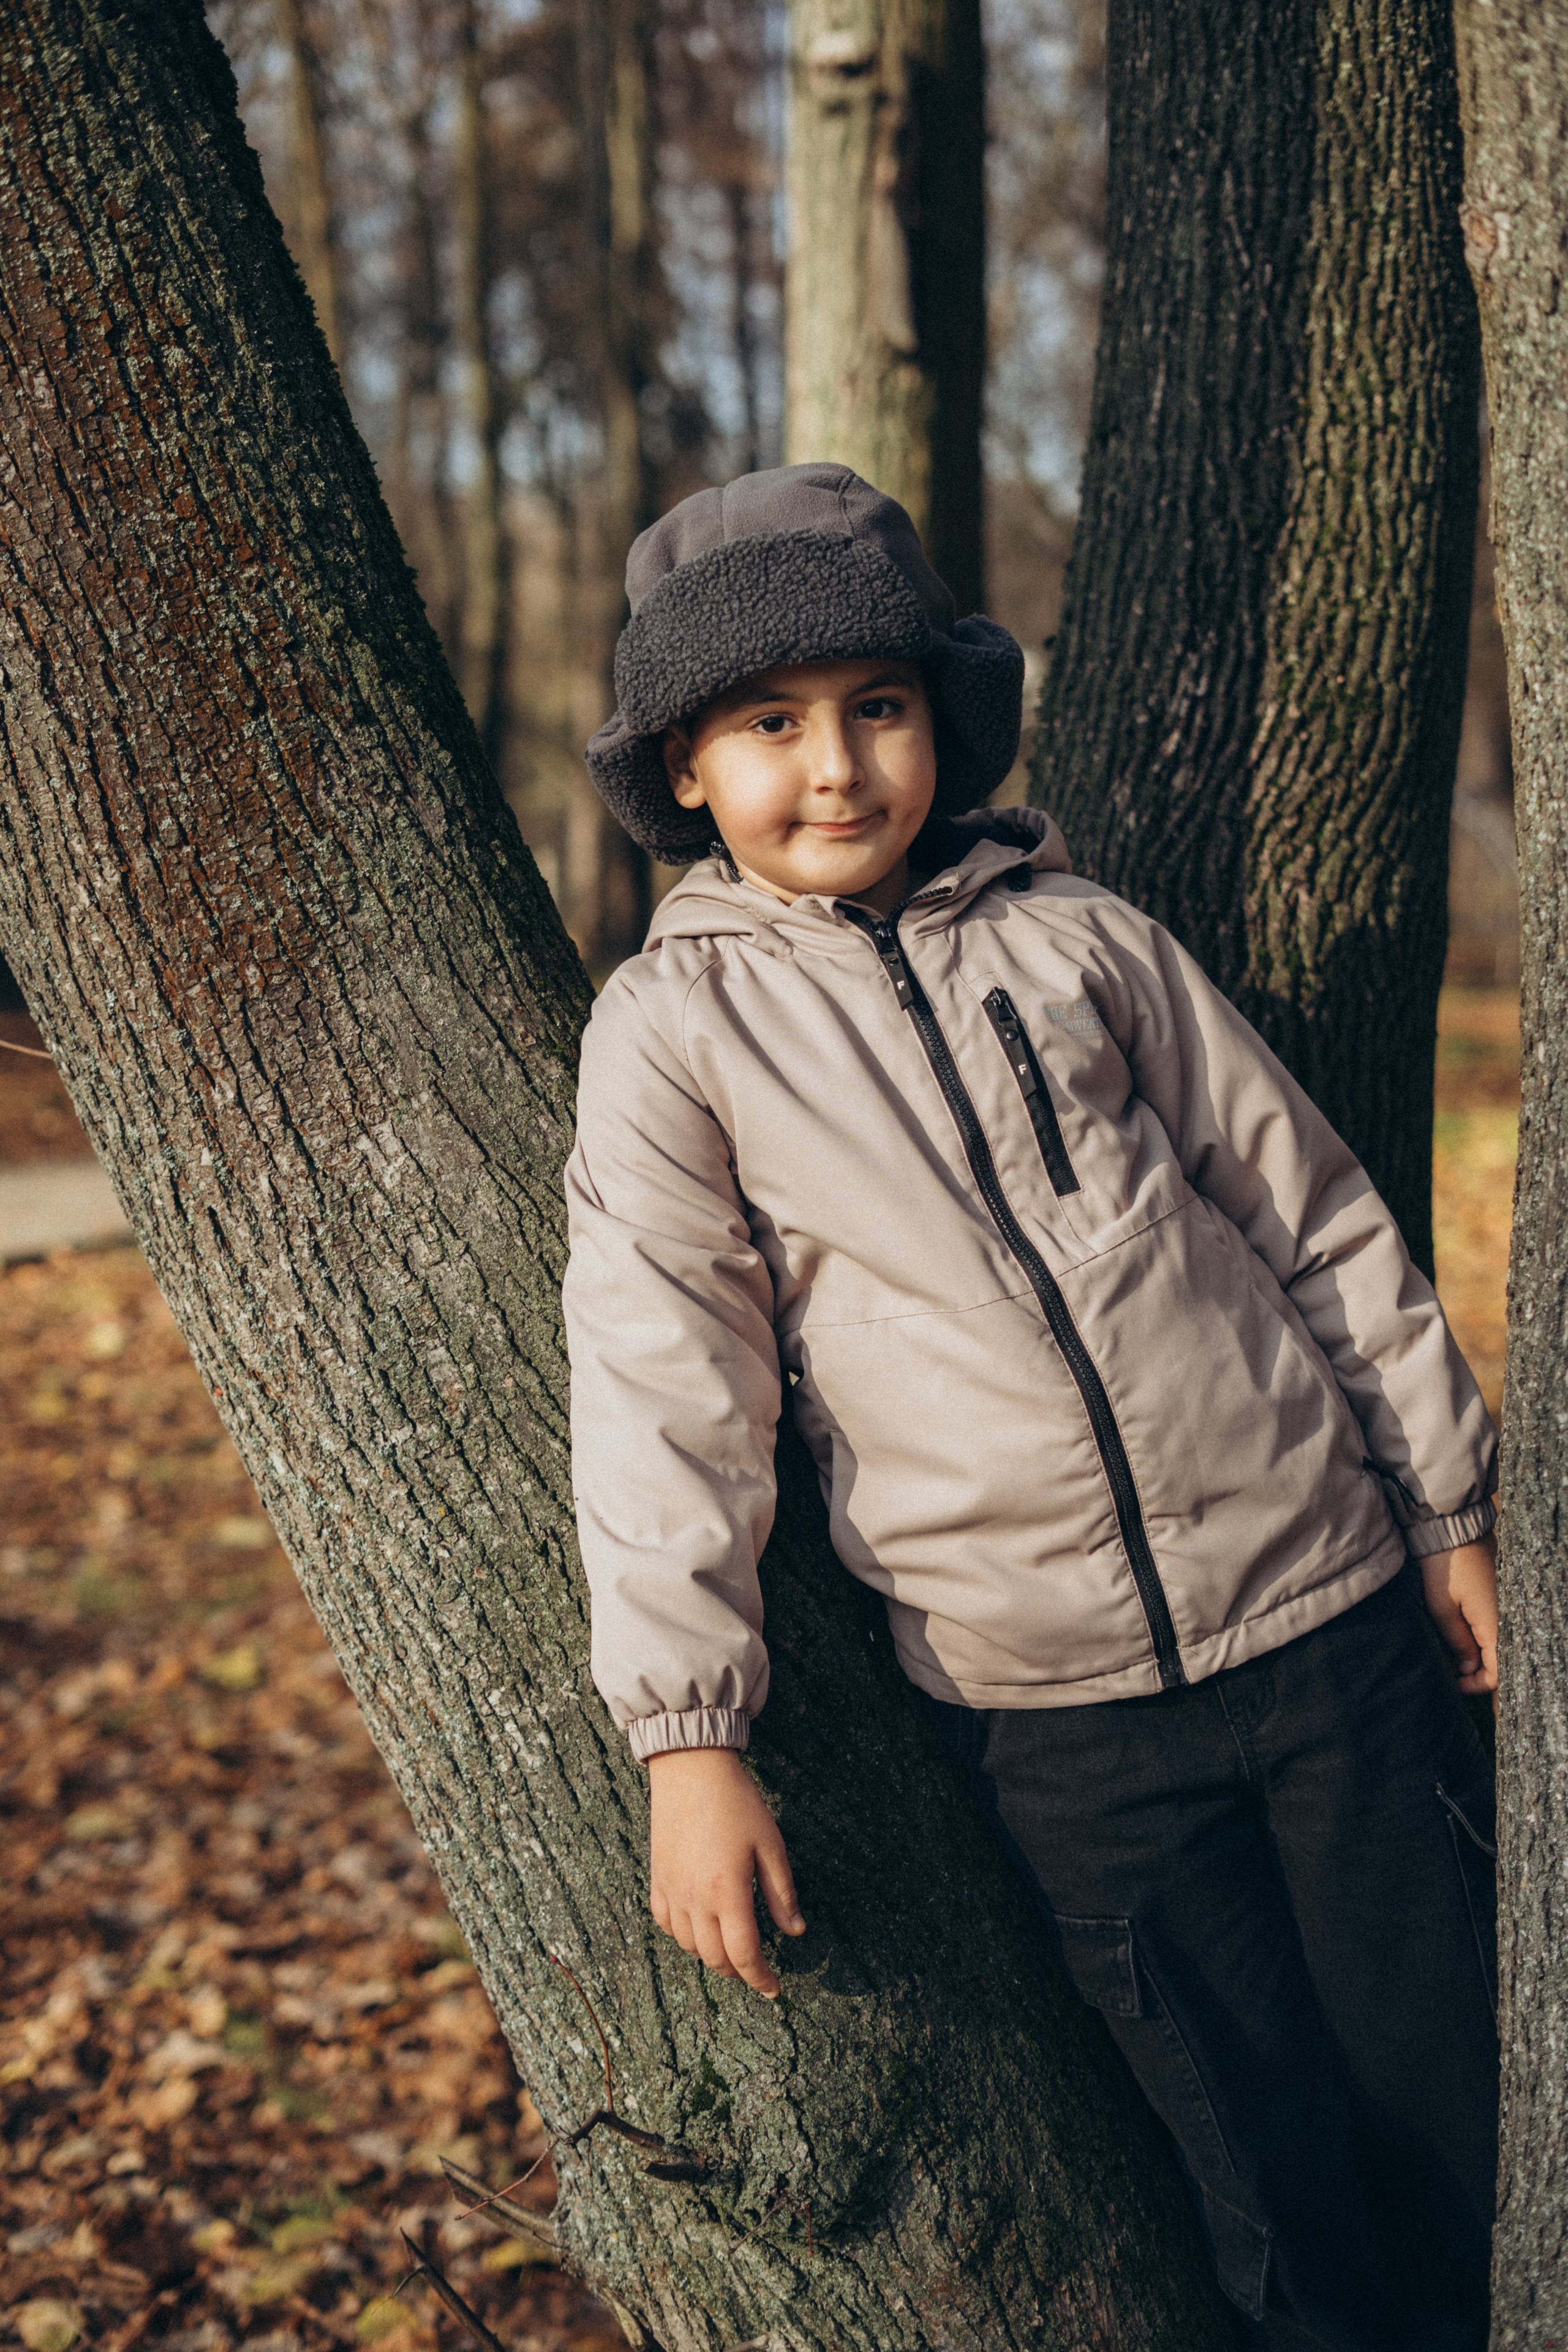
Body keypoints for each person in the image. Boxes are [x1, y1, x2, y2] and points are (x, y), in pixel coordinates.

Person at [563, 462, 1500, 2350]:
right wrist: (687, 1735)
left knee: (1464, 2104)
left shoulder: (1084, 941)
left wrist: (1447, 1509)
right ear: (684, 767)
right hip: (1063, 1734)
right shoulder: (675, 1038)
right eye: (770, 725)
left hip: (1331, 1632)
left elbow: (1310, 1217)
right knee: (1264, 2174)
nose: (835, 769)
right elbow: (667, 1382)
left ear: (944, 723)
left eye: (876, 709)